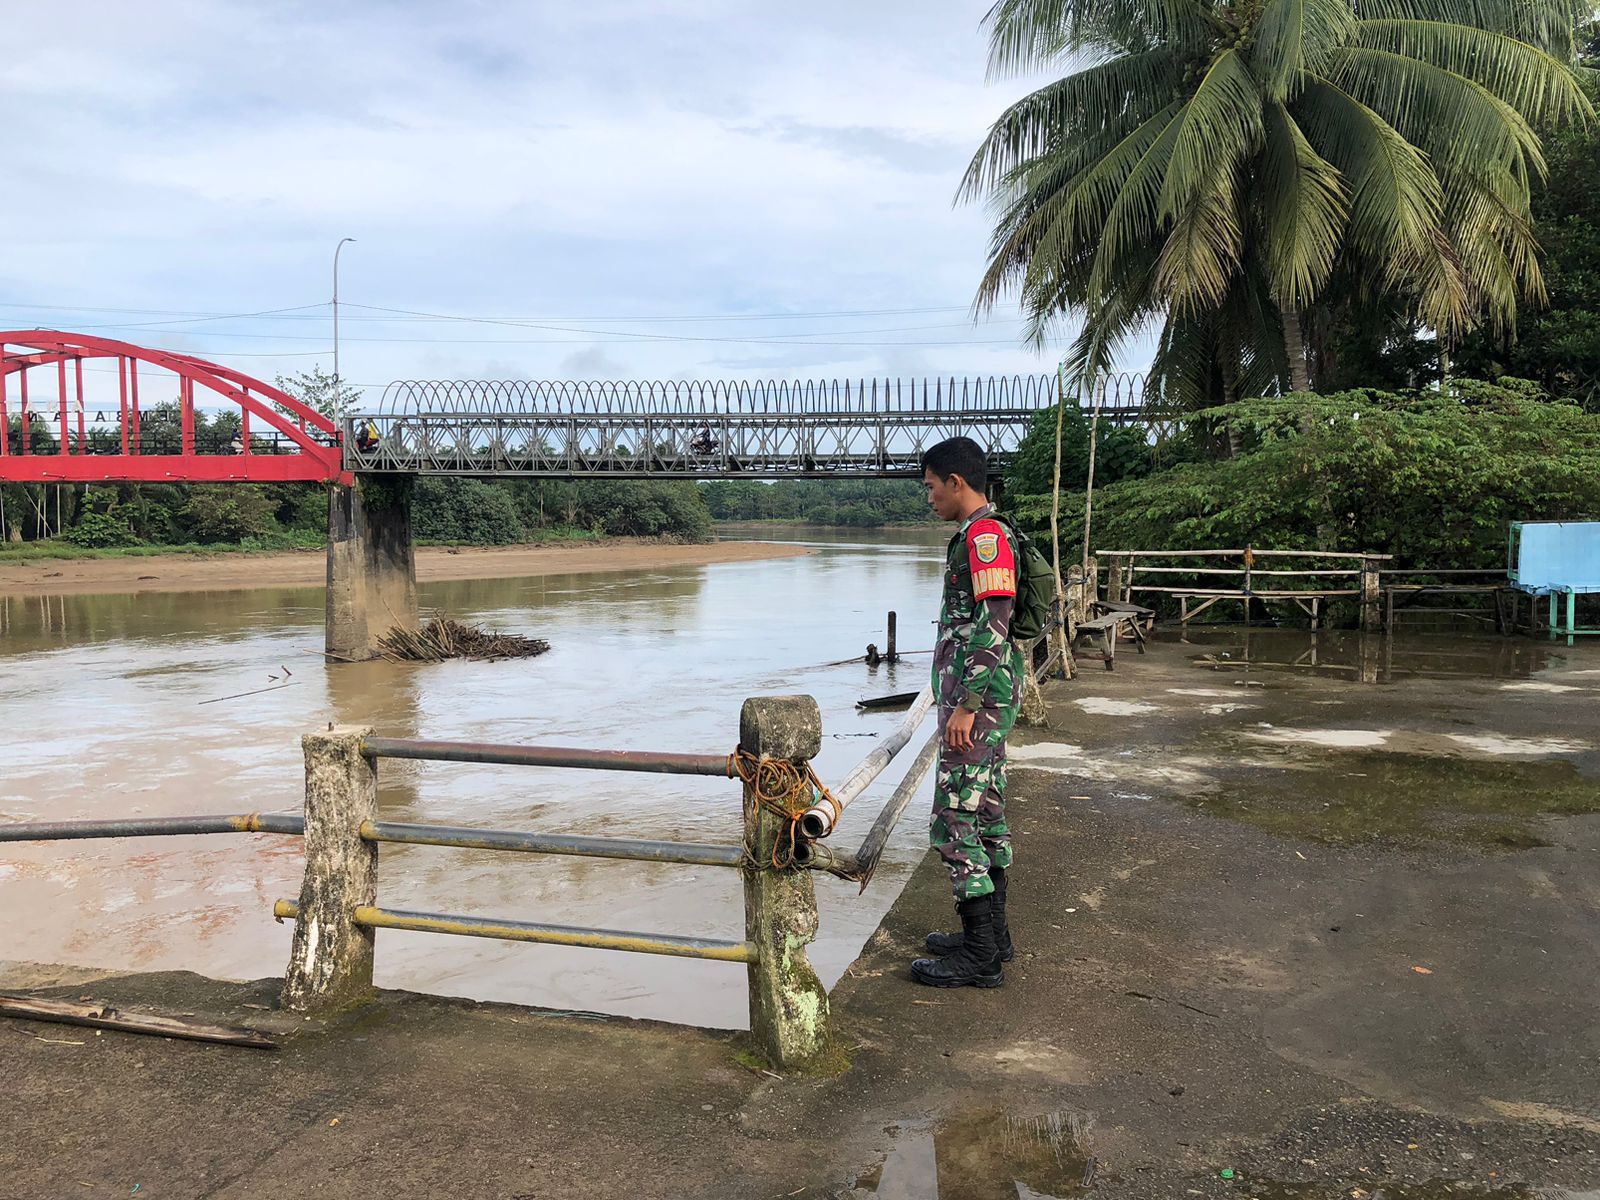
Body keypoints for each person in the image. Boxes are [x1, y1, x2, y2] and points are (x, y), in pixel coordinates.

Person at [911, 436, 1023, 989]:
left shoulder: (984, 536)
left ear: (956, 482)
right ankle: (993, 937)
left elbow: (995, 618)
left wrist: (967, 704)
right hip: (981, 699)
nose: (929, 496)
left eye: (932, 486)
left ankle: (980, 956)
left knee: (954, 817)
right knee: (985, 810)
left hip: (977, 704)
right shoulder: (980, 534)